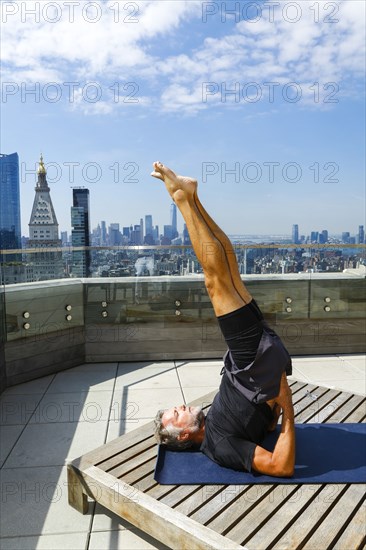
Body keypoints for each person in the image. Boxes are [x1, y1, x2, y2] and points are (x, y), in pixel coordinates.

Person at [152, 161, 295, 477]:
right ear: (184, 435)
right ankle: (182, 198)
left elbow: (262, 423)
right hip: (252, 368)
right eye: (175, 415)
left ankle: (191, 197)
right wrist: (288, 409)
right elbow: (281, 466)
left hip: (251, 364)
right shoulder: (217, 445)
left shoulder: (212, 422)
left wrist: (273, 413)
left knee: (227, 268)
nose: (180, 407)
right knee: (214, 279)